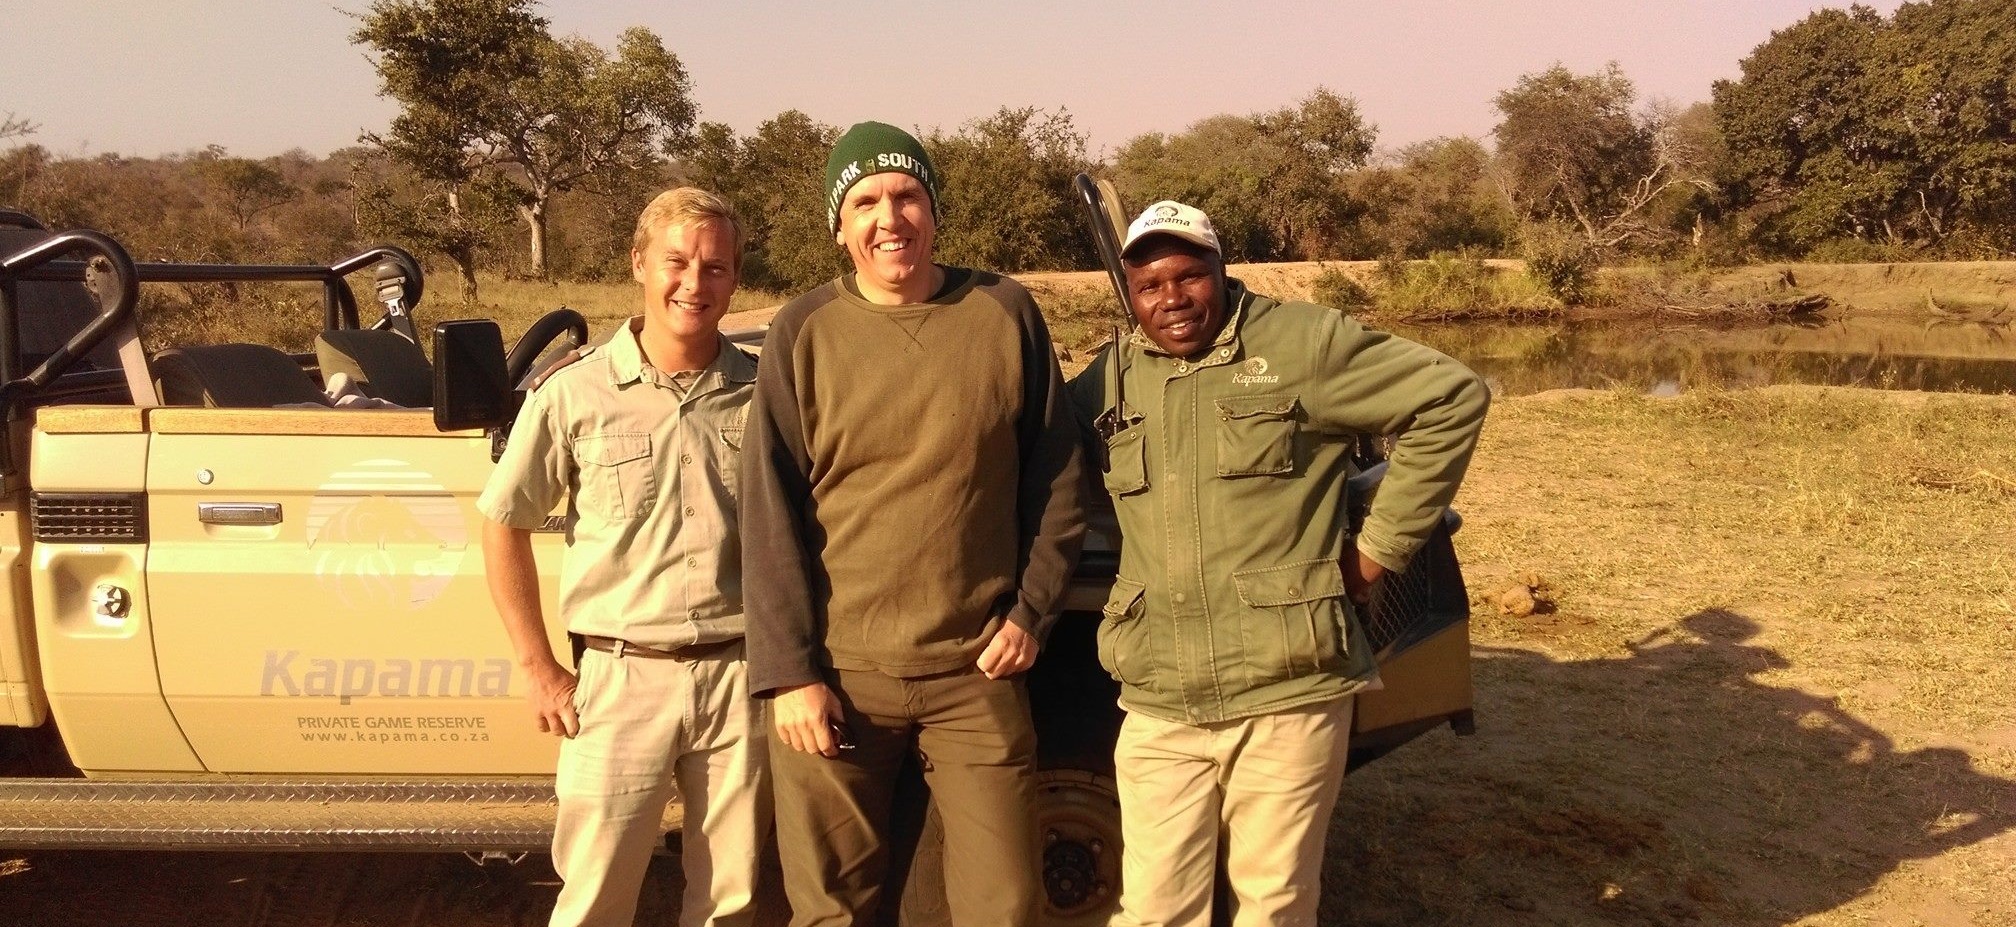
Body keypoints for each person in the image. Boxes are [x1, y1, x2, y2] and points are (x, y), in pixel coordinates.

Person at [1068, 201, 1489, 927]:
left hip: (1286, 687)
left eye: (1190, 275)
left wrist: (1376, 554)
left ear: (1222, 272)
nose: (1171, 298)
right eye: (1149, 285)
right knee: (1152, 910)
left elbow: (1451, 397)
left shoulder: (1300, 344)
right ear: (1129, 293)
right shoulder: (1111, 380)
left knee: (1275, 904)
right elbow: (1027, 449)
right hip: (1161, 695)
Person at [740, 121, 1086, 927]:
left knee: (1003, 904)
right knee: (831, 907)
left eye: (906, 195)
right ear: (839, 225)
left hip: (977, 674)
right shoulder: (804, 332)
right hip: (837, 673)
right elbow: (770, 510)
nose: (888, 217)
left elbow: (1059, 475)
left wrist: (1032, 609)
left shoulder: (1003, 311)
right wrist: (791, 673)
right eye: (865, 201)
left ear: (933, 211)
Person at [478, 187, 767, 927]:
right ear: (639, 262)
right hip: (618, 677)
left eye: (715, 268)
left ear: (735, 279)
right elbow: (503, 522)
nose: (693, 285)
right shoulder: (574, 394)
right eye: (676, 262)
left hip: (739, 679)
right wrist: (540, 667)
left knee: (730, 902)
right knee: (595, 899)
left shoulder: (764, 395)